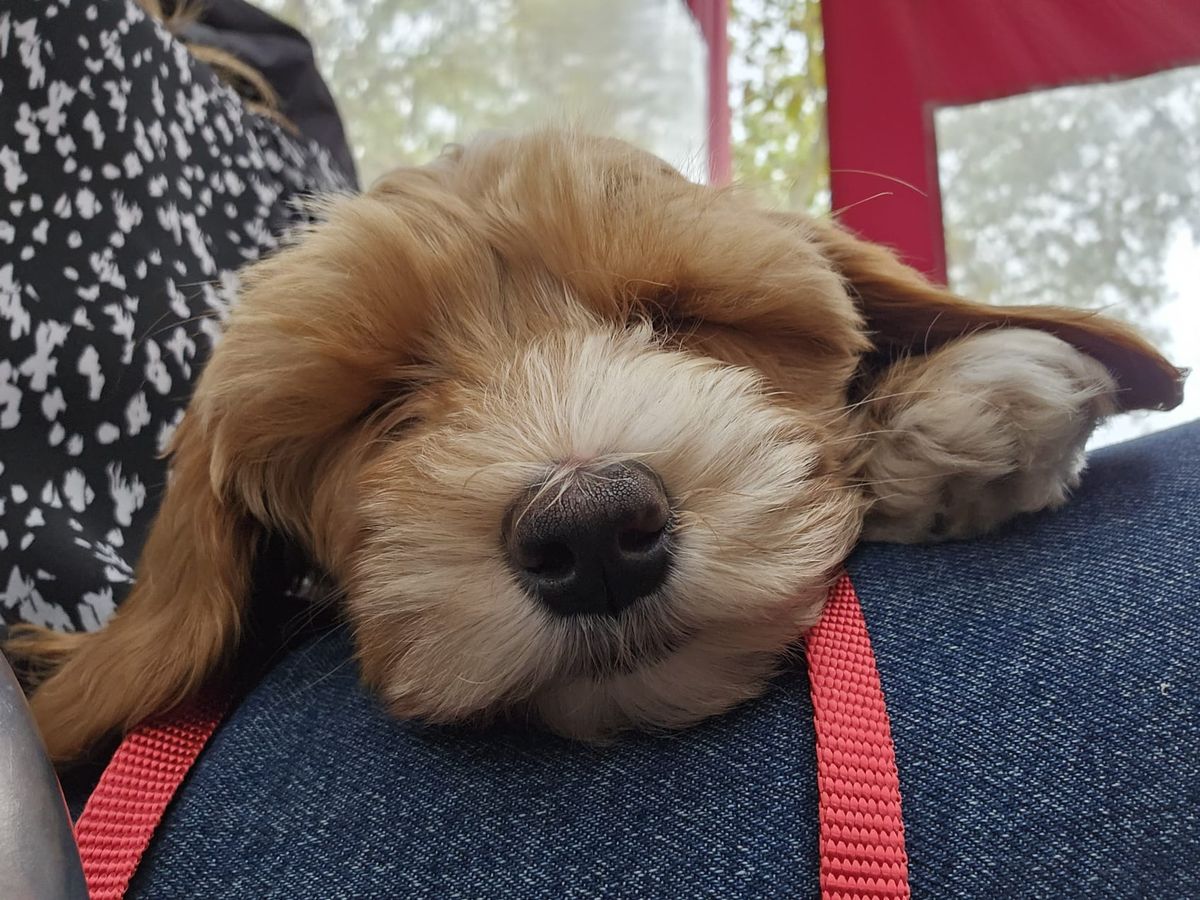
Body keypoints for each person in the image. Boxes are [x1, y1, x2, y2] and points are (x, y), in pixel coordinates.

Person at [1, 2, 1196, 896]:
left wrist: (885, 417)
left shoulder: (259, 61)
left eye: (679, 321)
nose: (575, 490)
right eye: (385, 411)